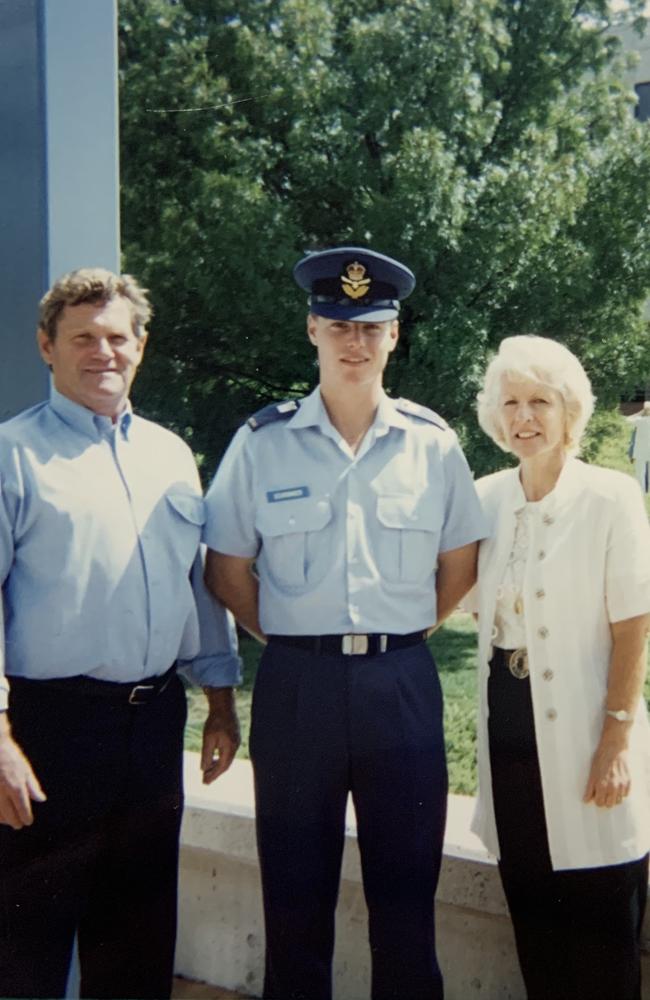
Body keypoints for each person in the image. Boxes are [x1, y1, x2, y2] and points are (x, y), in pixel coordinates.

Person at [203, 246, 487, 1000]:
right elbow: (226, 571)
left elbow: (461, 564)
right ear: (312, 331)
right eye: (338, 325)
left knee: (406, 898)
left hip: (401, 686)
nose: (353, 343)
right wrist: (298, 637)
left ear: (394, 336)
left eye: (371, 328)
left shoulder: (433, 444)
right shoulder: (261, 444)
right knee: (294, 899)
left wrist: (405, 634)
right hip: (300, 689)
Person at [0, 268, 241, 1000]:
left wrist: (222, 698)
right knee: (27, 948)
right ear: (47, 347)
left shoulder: (169, 453)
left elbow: (194, 583)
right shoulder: (13, 454)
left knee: (137, 942)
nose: (102, 351)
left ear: (141, 346)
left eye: (117, 336)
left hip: (151, 723)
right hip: (48, 730)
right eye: (82, 338)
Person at [469, 334, 650, 1000]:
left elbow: (633, 623)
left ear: (570, 410)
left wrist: (615, 740)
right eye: (511, 401)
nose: (524, 416)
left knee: (602, 929)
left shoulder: (610, 496)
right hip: (508, 733)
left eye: (540, 400)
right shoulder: (484, 497)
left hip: (586, 731)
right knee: (535, 922)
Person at [627, 400, 650, 493]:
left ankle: (642, 491)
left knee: (640, 473)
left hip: (640, 450)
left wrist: (640, 413)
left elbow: (627, 420)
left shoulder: (640, 421)